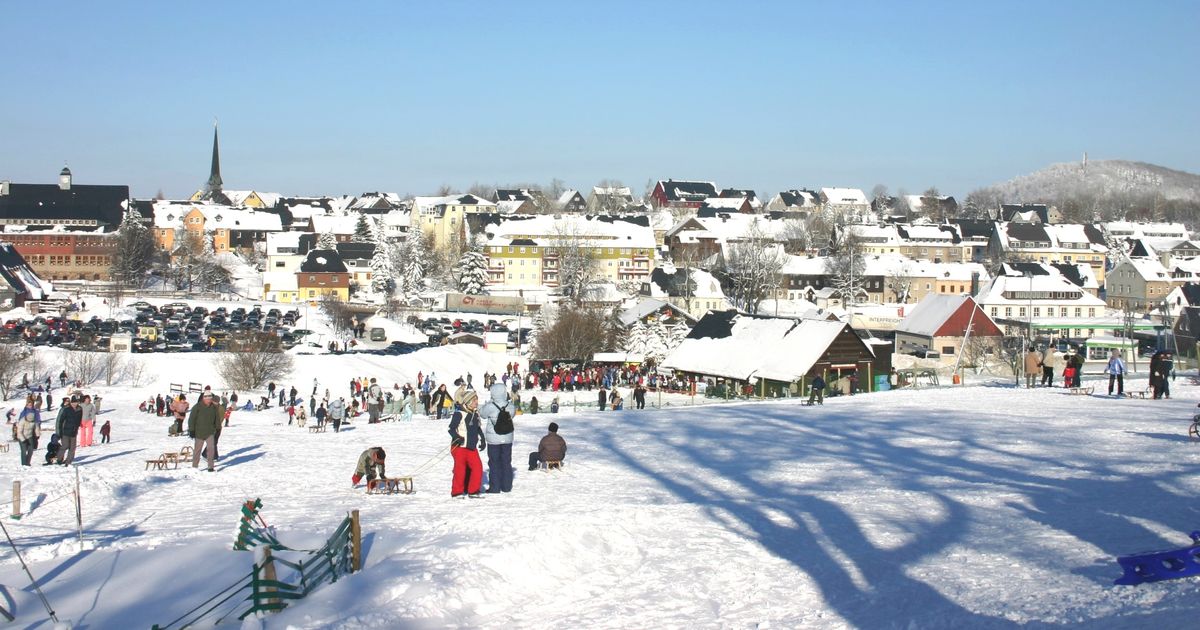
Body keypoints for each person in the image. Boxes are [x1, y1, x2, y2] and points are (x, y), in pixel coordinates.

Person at [447, 390, 486, 497]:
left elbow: (477, 428)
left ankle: (473, 490)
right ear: (468, 402)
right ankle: (457, 491)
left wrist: (482, 439)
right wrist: (457, 437)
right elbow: (451, 429)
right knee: (460, 470)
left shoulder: (475, 413)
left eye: (477, 399)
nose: (476, 402)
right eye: (474, 400)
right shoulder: (459, 414)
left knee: (478, 467)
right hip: (459, 447)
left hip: (471, 447)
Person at [481, 383, 515, 494]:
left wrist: (488, 404)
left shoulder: (490, 406)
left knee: (494, 462)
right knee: (506, 462)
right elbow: (513, 414)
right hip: (507, 438)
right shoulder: (510, 406)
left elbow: (482, 414)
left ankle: (495, 487)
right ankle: (506, 486)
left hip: (493, 439)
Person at [188, 391, 223, 471]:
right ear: (204, 398)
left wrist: (218, 428)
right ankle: (195, 466)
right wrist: (191, 430)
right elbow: (192, 419)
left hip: (210, 432)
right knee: (197, 450)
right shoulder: (197, 407)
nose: (209, 400)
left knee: (211, 449)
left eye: (210, 398)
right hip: (199, 432)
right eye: (208, 398)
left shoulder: (213, 408)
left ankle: (210, 467)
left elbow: (217, 419)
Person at [56, 394, 83, 466]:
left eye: (76, 402)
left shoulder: (79, 409)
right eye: (73, 402)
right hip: (66, 431)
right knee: (65, 446)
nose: (74, 404)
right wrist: (59, 431)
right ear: (71, 403)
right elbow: (61, 420)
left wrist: (78, 425)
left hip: (74, 431)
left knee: (72, 448)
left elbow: (80, 419)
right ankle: (59, 458)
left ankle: (68, 462)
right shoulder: (67, 409)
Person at [16, 397, 41, 466]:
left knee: (31, 449)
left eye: (31, 405)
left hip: (30, 434)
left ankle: (27, 462)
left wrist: (37, 434)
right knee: (24, 450)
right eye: (29, 405)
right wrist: (23, 439)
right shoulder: (24, 413)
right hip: (22, 434)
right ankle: (24, 464)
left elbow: (36, 425)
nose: (30, 406)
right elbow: (19, 430)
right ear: (26, 405)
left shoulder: (35, 412)